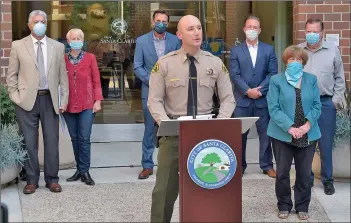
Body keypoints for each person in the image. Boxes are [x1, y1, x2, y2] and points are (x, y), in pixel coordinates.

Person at [148, 15, 235, 222]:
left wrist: (220, 124)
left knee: (208, 188)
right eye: (190, 29)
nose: (197, 32)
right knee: (163, 191)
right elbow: (154, 101)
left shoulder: (215, 63)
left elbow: (228, 99)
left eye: (199, 28)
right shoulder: (165, 64)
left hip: (207, 135)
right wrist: (167, 124)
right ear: (179, 35)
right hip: (174, 135)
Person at [6, 10, 69, 194]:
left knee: (52, 141)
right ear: (29, 25)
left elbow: (62, 76)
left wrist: (63, 99)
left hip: (50, 100)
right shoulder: (18, 46)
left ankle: (52, 179)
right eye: (36, 21)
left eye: (43, 21)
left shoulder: (57, 46)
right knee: (29, 142)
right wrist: (16, 97)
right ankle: (31, 179)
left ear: (46, 24)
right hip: (26, 101)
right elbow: (12, 76)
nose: (40, 24)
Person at [267, 45, 322, 220]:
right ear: (286, 61)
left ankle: (302, 205)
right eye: (291, 59)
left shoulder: (311, 79)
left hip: (307, 133)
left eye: (298, 59)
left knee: (304, 173)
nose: (295, 62)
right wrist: (290, 127)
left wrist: (306, 126)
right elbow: (273, 108)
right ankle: (283, 204)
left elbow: (316, 105)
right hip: (283, 133)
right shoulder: (276, 80)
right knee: (282, 173)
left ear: (303, 62)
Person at [298, 18, 346, 195]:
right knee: (305, 143)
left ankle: (327, 180)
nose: (311, 34)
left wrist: (336, 100)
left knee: (325, 144)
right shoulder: (299, 50)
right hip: (304, 104)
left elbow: (340, 78)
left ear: (322, 33)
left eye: (315, 31)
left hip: (326, 103)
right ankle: (306, 179)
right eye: (308, 31)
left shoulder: (332, 50)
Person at [134, 10, 181, 179]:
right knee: (149, 129)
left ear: (168, 23)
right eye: (158, 20)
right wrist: (152, 81)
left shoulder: (175, 41)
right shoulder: (141, 41)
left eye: (164, 21)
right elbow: (137, 66)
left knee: (174, 129)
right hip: (150, 90)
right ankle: (147, 165)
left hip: (172, 92)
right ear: (153, 22)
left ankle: (174, 164)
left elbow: (179, 63)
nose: (161, 23)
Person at [229, 15, 278, 177]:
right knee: (239, 135)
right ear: (244, 29)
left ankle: (266, 165)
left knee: (265, 135)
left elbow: (273, 73)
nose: (252, 30)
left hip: (262, 100)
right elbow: (234, 75)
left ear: (260, 30)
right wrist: (247, 90)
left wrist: (260, 90)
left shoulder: (268, 49)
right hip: (242, 100)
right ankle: (240, 166)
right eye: (249, 27)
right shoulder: (236, 50)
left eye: (255, 27)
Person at [62, 28, 103, 186]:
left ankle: (85, 170)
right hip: (68, 105)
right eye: (74, 38)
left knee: (84, 138)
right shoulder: (62, 59)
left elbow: (96, 81)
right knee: (75, 138)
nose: (77, 40)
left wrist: (98, 100)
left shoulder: (90, 58)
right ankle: (79, 169)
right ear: (68, 41)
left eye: (80, 38)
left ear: (83, 40)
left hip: (87, 104)